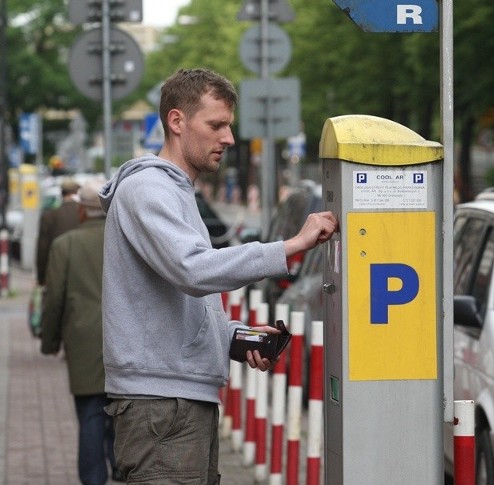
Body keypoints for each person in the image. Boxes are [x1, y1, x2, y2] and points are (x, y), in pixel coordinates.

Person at [99, 67, 337, 484]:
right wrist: (290, 246)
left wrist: (232, 338)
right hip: (162, 404)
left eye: (229, 125)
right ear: (177, 121)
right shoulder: (148, 191)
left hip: (176, 398)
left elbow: (175, 296)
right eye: (216, 125)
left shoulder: (175, 192)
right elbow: (193, 270)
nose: (228, 138)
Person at [40, 177, 123, 485]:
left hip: (84, 342)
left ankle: (93, 478)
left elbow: (54, 300)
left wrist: (49, 342)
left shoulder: (66, 246)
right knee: (124, 410)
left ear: (80, 213)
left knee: (90, 414)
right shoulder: (126, 241)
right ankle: (121, 465)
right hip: (128, 338)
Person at [36, 178, 81, 286]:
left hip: (55, 271)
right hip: (80, 271)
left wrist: (41, 278)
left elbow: (42, 249)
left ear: (61, 193)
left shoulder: (48, 216)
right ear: (76, 192)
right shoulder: (83, 213)